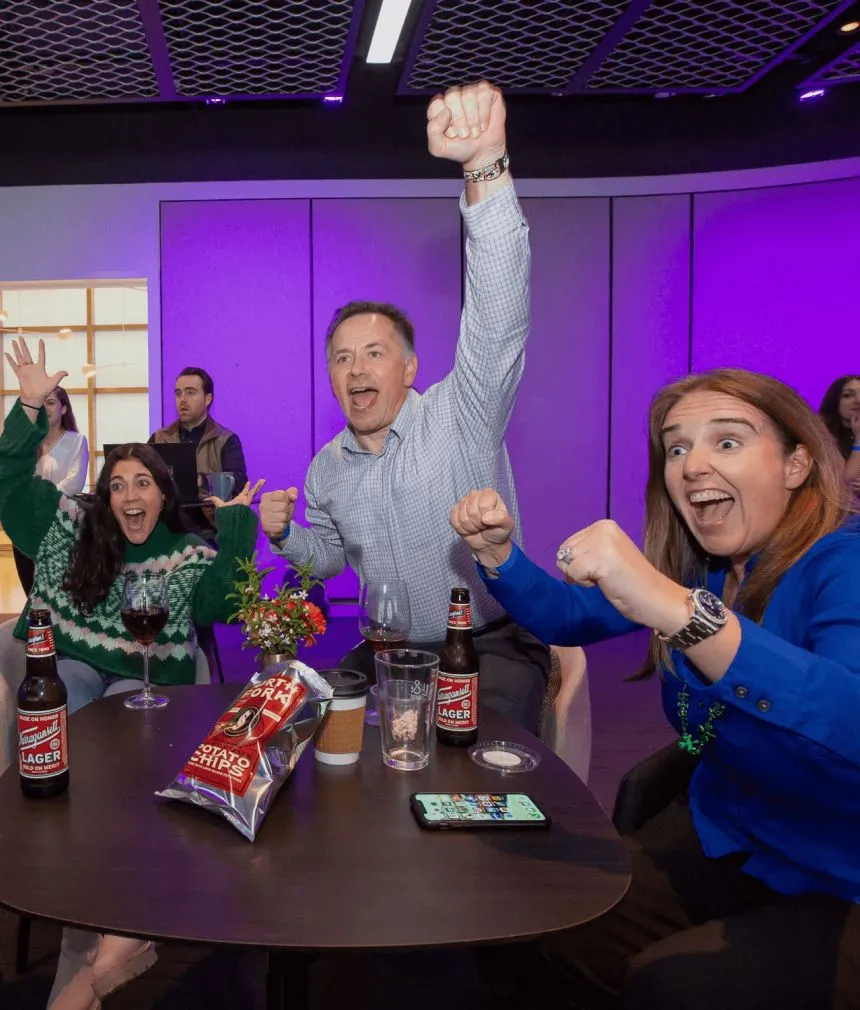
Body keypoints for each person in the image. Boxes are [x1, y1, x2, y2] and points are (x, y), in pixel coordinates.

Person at [451, 367, 860, 1010]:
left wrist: (681, 611)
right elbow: (567, 616)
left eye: (726, 441)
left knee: (666, 984)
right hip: (726, 830)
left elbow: (849, 720)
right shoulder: (697, 565)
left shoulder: (843, 562)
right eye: (677, 447)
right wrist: (498, 555)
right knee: (530, 917)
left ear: (796, 464)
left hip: (833, 877)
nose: (693, 464)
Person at [260, 81, 549, 732]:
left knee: (476, 759)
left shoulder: (462, 414)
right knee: (315, 738)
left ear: (410, 368)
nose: (356, 369)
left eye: (374, 354)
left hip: (490, 644)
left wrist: (485, 169)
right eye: (341, 358)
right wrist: (284, 537)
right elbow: (328, 559)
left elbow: (498, 320)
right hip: (387, 648)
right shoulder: (325, 468)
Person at [1, 337, 263, 1010]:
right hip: (75, 680)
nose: (127, 495)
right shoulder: (71, 527)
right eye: (116, 485)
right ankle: (105, 934)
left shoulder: (184, 556)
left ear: (162, 492)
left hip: (143, 693)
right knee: (76, 699)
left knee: (121, 712)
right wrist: (28, 409)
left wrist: (235, 529)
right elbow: (8, 484)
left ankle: (90, 946)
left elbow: (227, 604)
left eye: (141, 481)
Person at [150, 366, 248, 535]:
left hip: (210, 527)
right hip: (167, 525)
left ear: (208, 399)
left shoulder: (225, 439)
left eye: (190, 393)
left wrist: (200, 480)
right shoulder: (160, 438)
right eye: (178, 393)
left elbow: (239, 481)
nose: (182, 400)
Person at [13, 383, 89, 595]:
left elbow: (74, 482)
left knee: (60, 591)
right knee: (31, 590)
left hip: (61, 522)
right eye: (42, 403)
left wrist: (41, 499)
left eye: (51, 402)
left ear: (63, 408)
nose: (45, 408)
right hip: (28, 523)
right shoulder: (29, 443)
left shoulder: (76, 441)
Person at [819, 373, 860, 493]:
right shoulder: (822, 435)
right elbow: (848, 484)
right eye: (848, 395)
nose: (858, 400)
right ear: (835, 401)